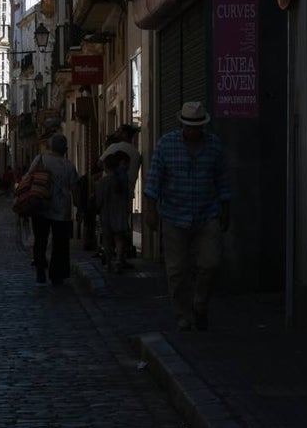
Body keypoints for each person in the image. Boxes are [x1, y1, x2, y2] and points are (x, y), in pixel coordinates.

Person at [143, 101, 231, 332]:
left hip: (207, 214)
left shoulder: (214, 147)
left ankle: (200, 304)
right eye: (189, 126)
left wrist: (225, 208)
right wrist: (150, 211)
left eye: (197, 127)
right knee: (177, 271)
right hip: (174, 215)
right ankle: (183, 315)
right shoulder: (166, 145)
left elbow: (222, 180)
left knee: (210, 263)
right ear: (182, 124)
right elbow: (153, 181)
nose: (193, 131)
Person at [26, 134, 80, 287]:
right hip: (61, 210)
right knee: (60, 244)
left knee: (40, 241)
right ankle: (57, 275)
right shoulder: (68, 165)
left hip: (40, 205)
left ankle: (40, 272)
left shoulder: (40, 159)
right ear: (66, 149)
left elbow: (29, 177)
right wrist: (79, 207)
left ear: (49, 147)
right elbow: (74, 188)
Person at [95, 150, 132, 272]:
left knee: (107, 238)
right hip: (119, 212)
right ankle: (118, 261)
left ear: (106, 167)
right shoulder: (121, 180)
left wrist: (97, 208)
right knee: (118, 238)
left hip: (106, 213)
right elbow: (126, 197)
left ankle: (109, 262)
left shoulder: (102, 182)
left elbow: (99, 200)